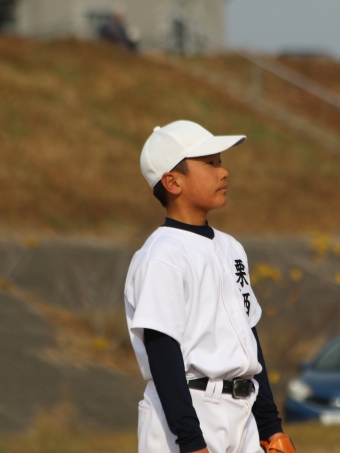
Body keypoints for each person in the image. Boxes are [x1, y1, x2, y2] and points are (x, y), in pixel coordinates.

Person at [124, 121, 297, 453]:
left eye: (220, 162)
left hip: (243, 413)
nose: (224, 172)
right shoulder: (162, 255)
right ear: (172, 182)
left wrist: (271, 429)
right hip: (186, 415)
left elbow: (249, 341)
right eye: (210, 163)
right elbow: (162, 352)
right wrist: (191, 442)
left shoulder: (231, 247)